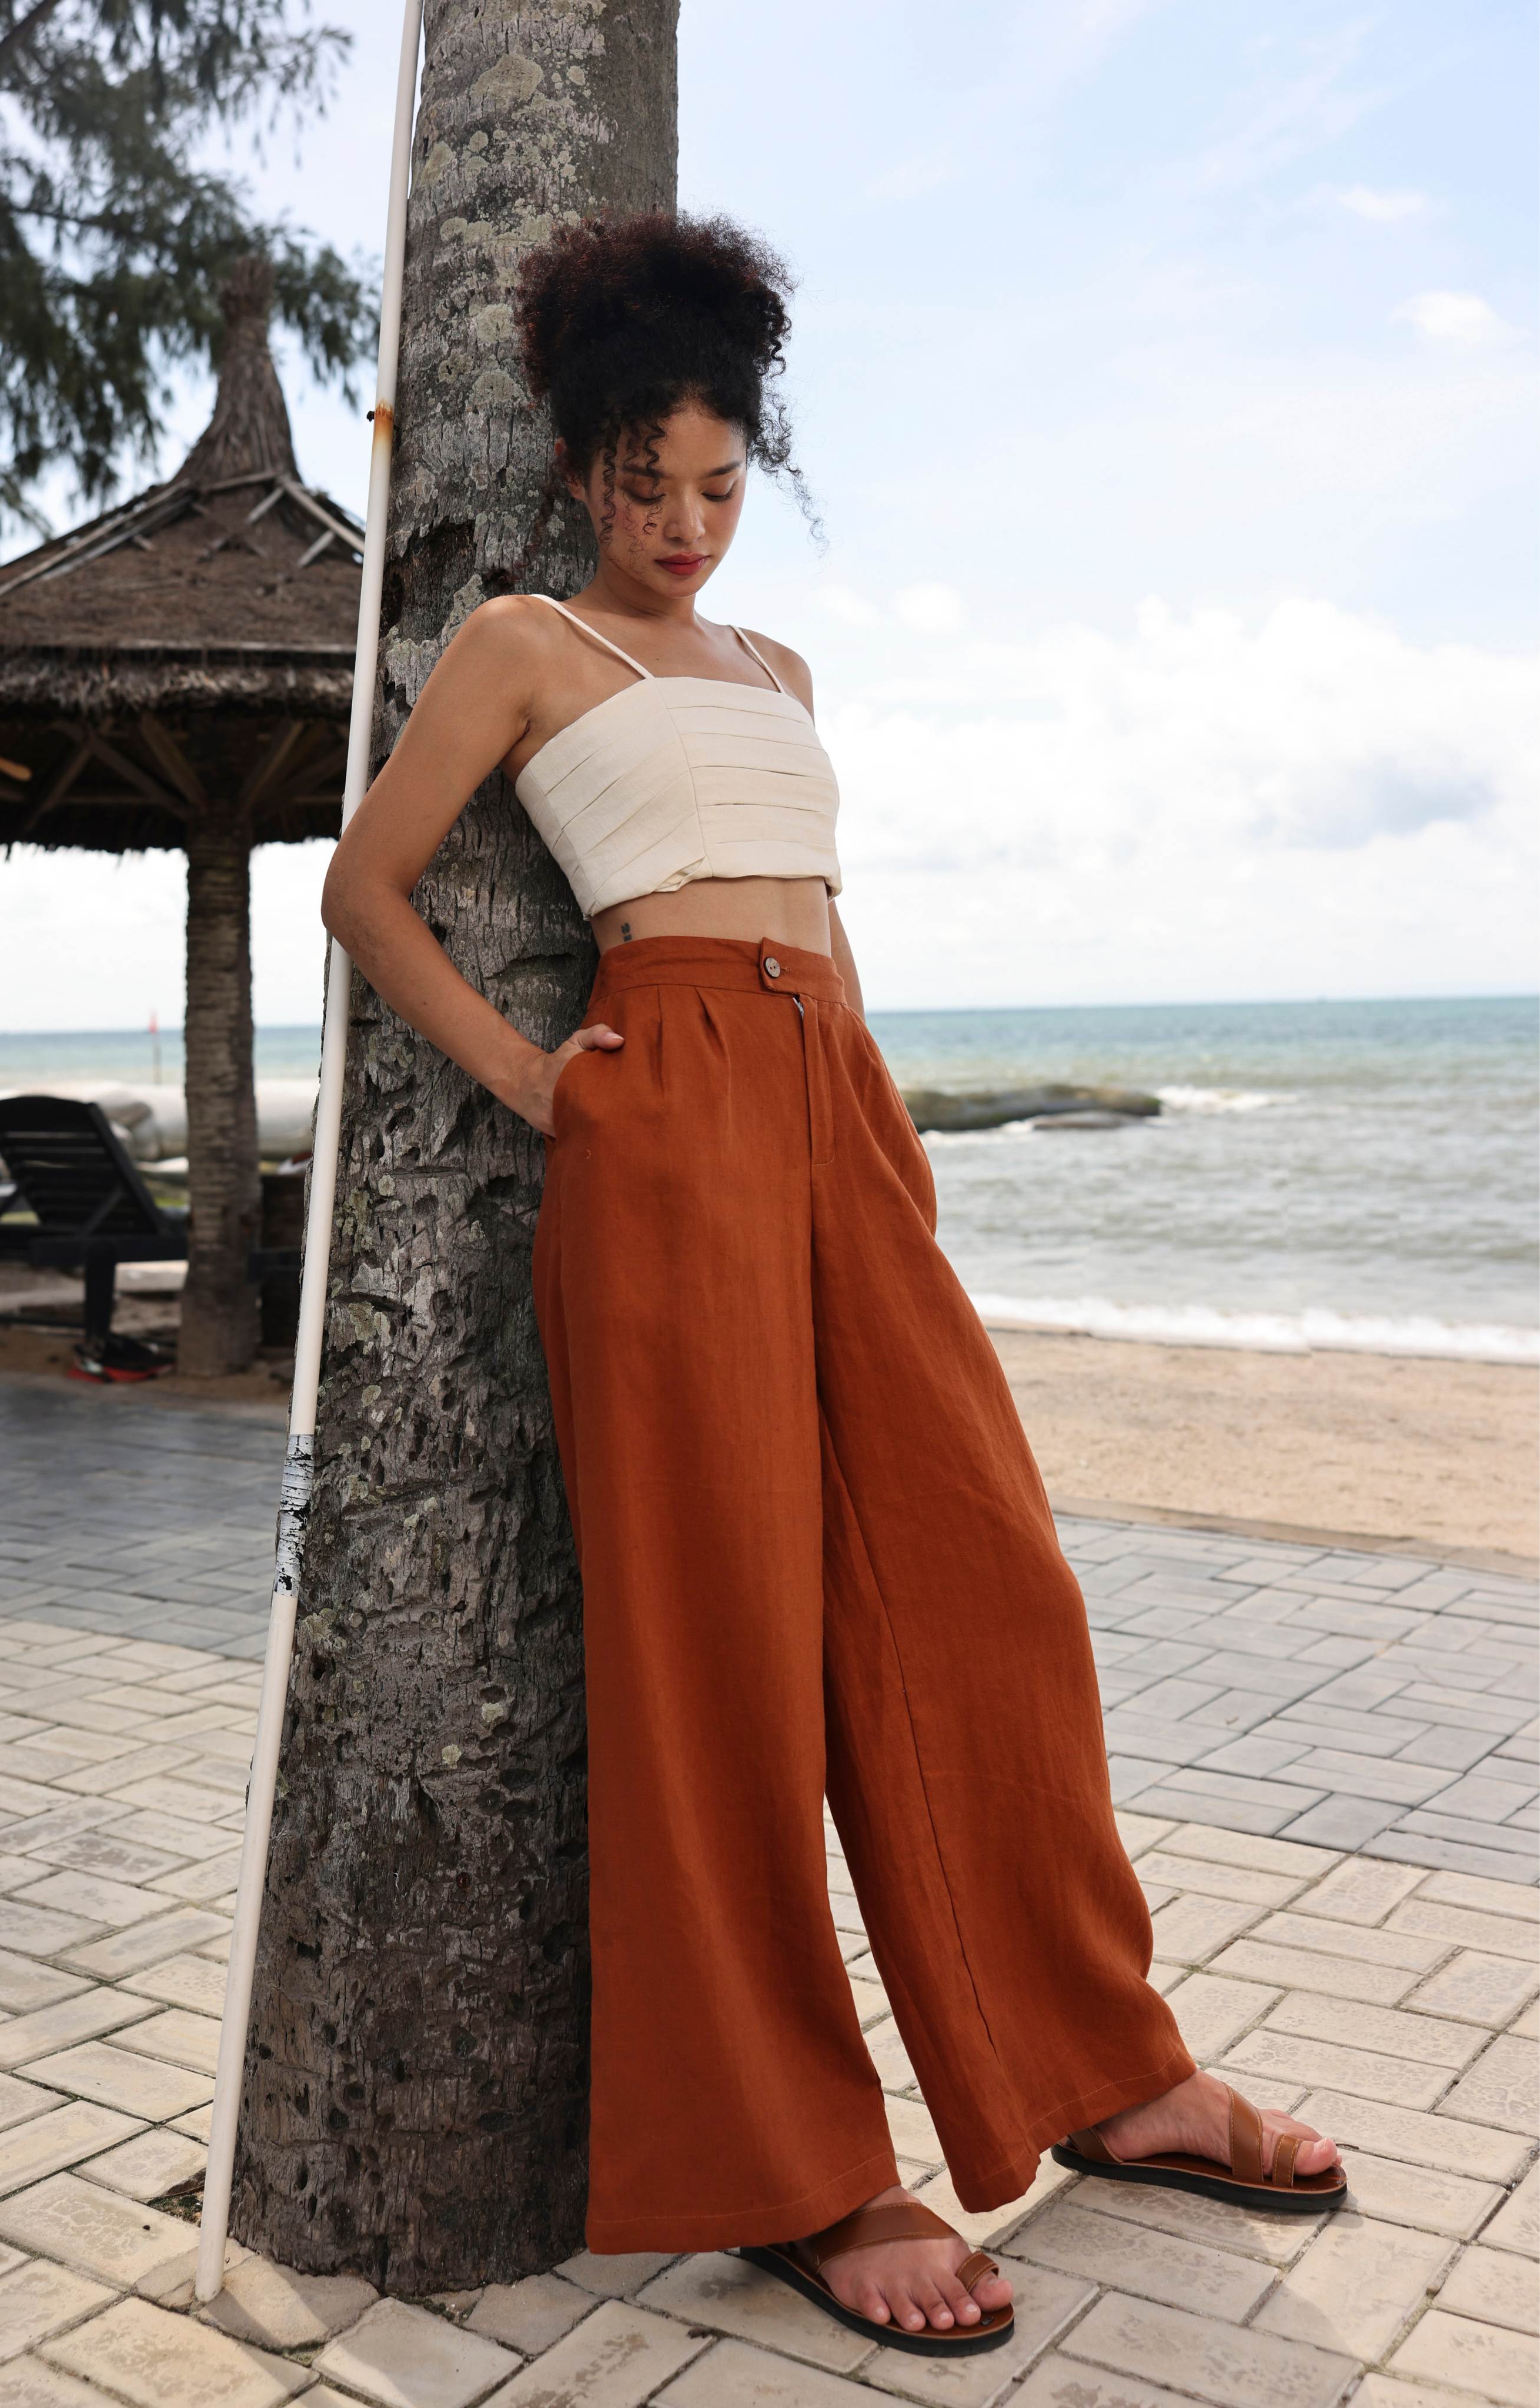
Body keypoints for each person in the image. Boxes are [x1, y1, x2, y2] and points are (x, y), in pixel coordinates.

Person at [322, 212, 1344, 2364]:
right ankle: (791, 2168)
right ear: (578, 472)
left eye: (713, 485)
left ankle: (1105, 2073)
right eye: (640, 486)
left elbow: (825, 932)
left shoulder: (781, 673)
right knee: (718, 1651)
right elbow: (364, 889)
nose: (680, 526)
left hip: (835, 1105)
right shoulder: (522, 642)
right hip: (660, 1114)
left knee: (984, 1590)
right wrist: (542, 1084)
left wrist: (874, 1156)